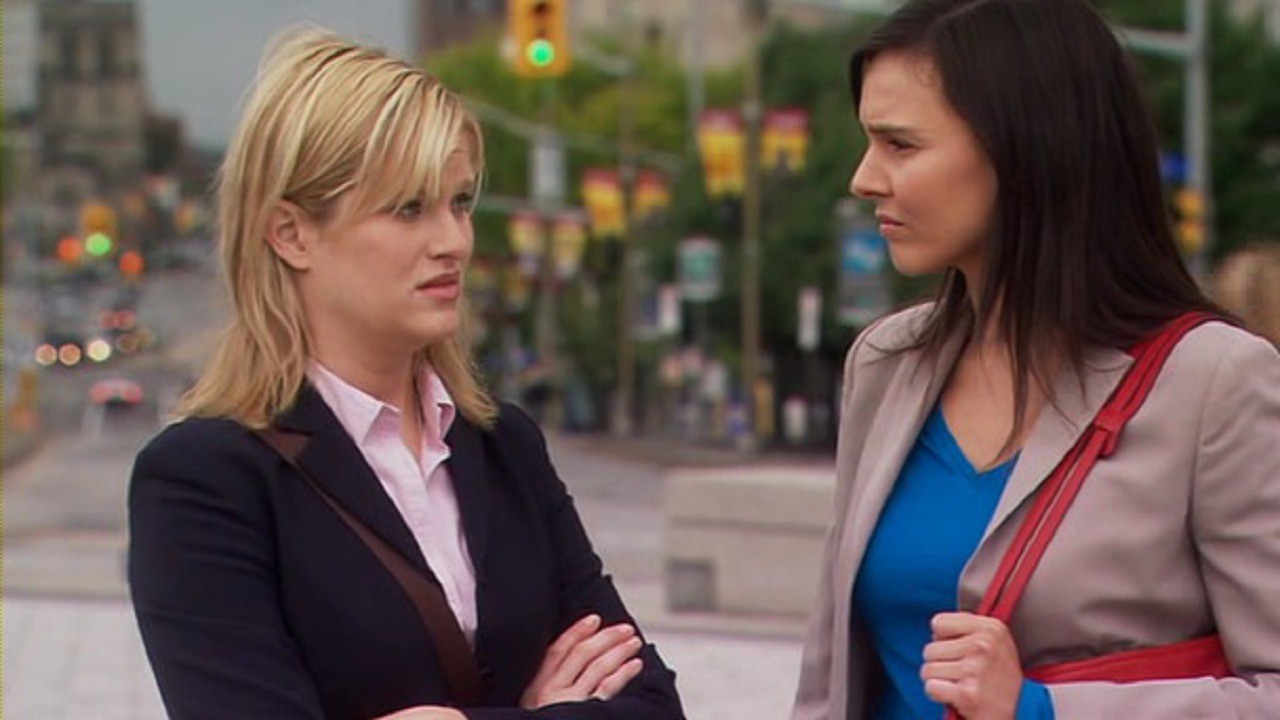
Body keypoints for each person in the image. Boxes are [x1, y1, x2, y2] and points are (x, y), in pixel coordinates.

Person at [128, 28, 684, 720]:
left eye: (460, 203)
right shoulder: (206, 479)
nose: (453, 242)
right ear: (290, 233)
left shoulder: (504, 446)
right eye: (409, 209)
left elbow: (654, 706)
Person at [791, 1, 1280, 718]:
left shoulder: (1215, 381)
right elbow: (830, 676)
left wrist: (1042, 709)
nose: (865, 178)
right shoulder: (886, 362)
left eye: (900, 145)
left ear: (1024, 150)